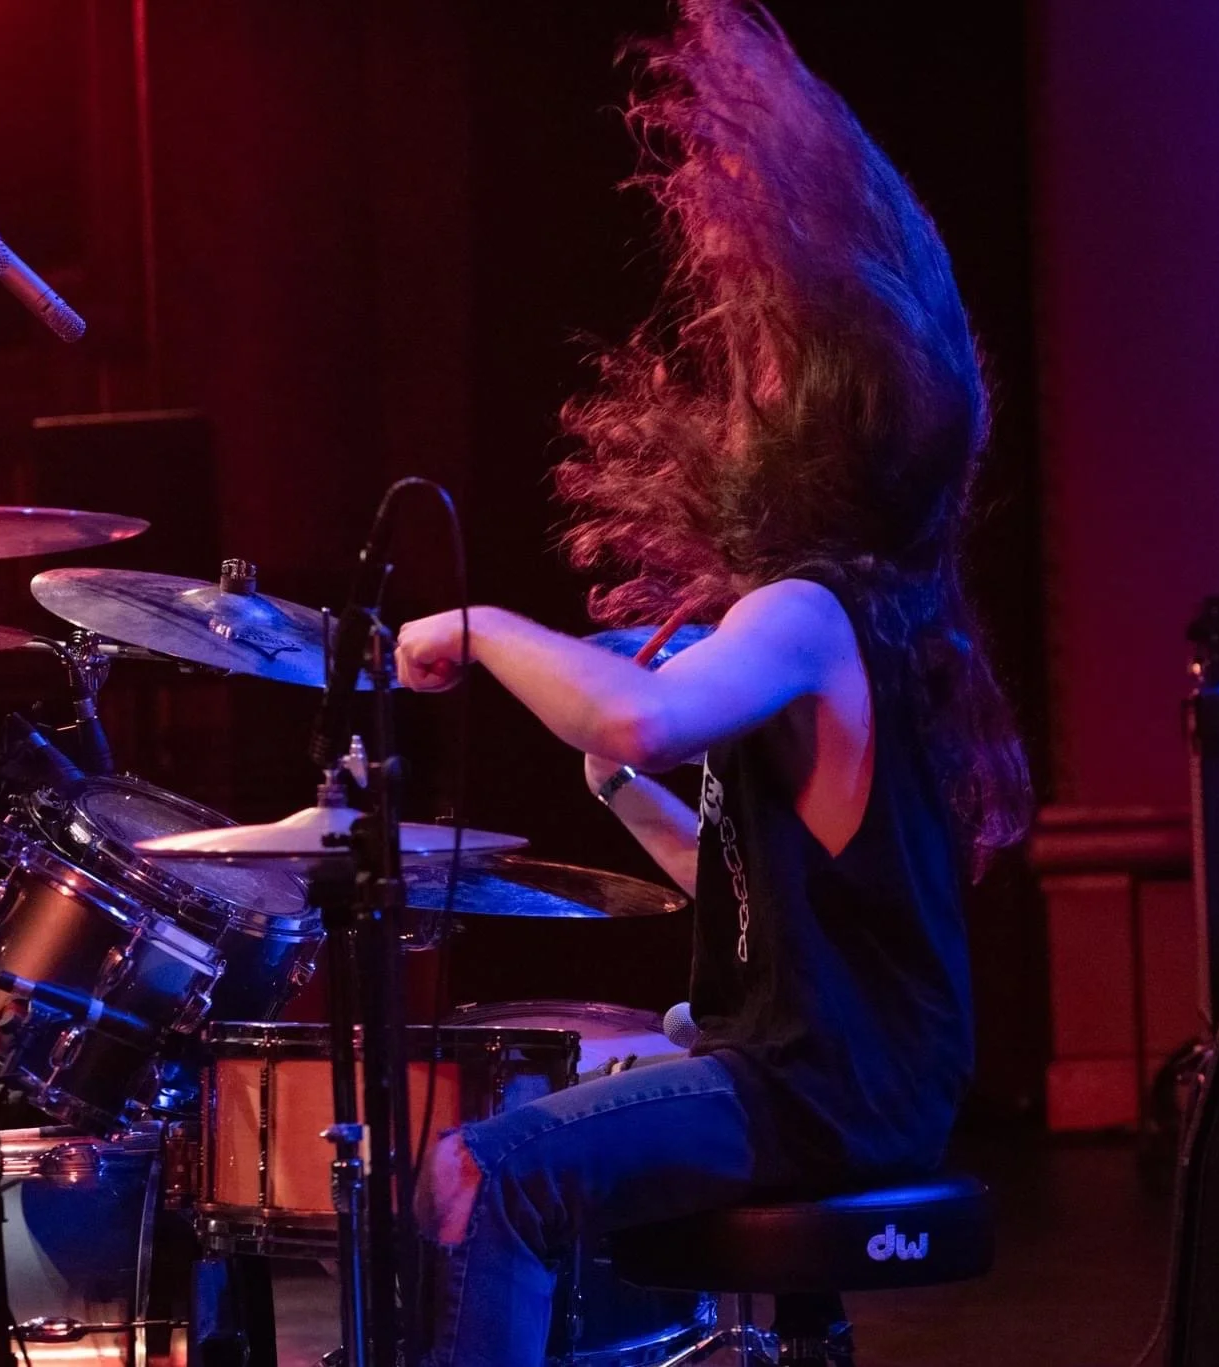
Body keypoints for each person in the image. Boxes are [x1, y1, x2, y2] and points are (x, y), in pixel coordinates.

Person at [393, 4, 1031, 1364]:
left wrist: (481, 624)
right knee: (563, 1113)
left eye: (762, 377)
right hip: (855, 1081)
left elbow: (634, 707)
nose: (736, 399)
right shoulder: (874, 616)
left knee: (480, 1171)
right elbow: (756, 896)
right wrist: (618, 790)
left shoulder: (804, 612)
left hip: (816, 1090)